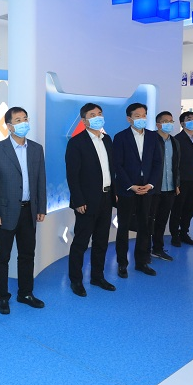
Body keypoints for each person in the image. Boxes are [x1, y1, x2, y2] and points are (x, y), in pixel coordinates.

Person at [0, 107, 47, 315]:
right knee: (2, 257)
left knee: (27, 254)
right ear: (9, 126)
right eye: (18, 120)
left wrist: (41, 207)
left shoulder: (36, 149)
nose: (23, 123)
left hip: (29, 211)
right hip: (3, 213)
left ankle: (25, 293)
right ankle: (2, 297)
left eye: (25, 119)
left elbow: (41, 180)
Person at [65, 103, 116, 297]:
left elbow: (111, 169)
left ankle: (97, 276)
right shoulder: (76, 142)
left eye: (99, 114)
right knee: (81, 243)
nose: (97, 117)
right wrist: (78, 201)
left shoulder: (107, 139)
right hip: (86, 201)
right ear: (84, 121)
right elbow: (72, 175)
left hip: (106, 197)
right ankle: (76, 280)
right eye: (92, 115)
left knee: (102, 241)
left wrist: (114, 192)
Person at [113, 102, 163, 278]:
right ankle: (122, 263)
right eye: (137, 116)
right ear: (129, 118)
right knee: (123, 227)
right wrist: (130, 185)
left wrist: (151, 184)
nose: (142, 119)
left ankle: (142, 262)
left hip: (147, 189)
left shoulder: (153, 137)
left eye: (144, 115)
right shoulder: (120, 137)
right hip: (127, 190)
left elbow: (158, 163)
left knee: (145, 225)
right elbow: (117, 165)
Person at [149, 111, 180, 262]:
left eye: (171, 121)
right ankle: (144, 250)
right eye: (165, 121)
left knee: (162, 220)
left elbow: (176, 165)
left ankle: (157, 249)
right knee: (149, 220)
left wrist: (176, 184)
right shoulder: (150, 139)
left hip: (169, 188)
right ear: (158, 124)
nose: (169, 124)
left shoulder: (174, 142)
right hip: (154, 188)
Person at [170, 111, 193, 247]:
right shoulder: (176, 139)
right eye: (189, 119)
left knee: (190, 208)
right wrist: (176, 182)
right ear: (182, 123)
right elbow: (174, 163)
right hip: (181, 180)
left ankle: (184, 232)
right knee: (177, 209)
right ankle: (174, 235)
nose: (192, 121)